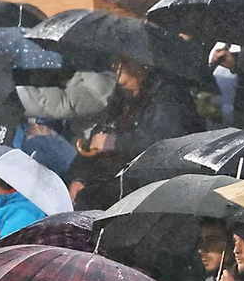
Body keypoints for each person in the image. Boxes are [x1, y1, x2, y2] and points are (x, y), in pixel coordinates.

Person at [68, 56, 200, 208]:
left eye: (121, 64)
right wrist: (78, 178)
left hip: (149, 186)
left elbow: (165, 144)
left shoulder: (168, 97)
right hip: (112, 178)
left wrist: (115, 142)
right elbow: (96, 138)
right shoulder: (122, 96)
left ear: (138, 65)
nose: (118, 75)